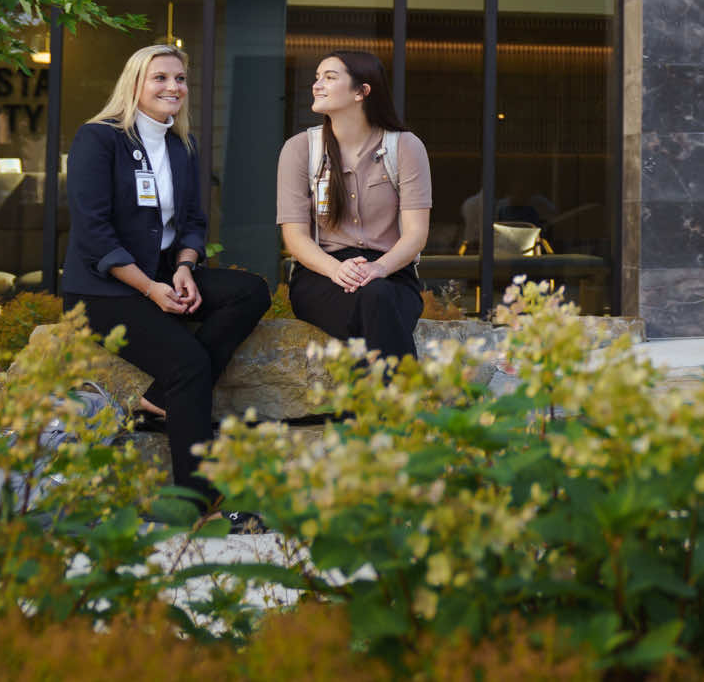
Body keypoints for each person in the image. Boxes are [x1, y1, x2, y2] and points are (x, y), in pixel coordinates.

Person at [61, 44, 270, 519]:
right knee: (189, 364)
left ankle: (156, 401)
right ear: (134, 84)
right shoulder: (99, 139)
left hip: (161, 276)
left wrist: (183, 267)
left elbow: (193, 220)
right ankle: (202, 504)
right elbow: (93, 232)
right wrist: (149, 288)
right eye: (160, 78)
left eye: (180, 79)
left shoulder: (182, 144)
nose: (173, 87)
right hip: (103, 291)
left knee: (250, 290)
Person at [277, 51, 432, 365]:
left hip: (391, 273)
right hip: (321, 275)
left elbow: (416, 235)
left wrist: (379, 269)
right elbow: (295, 239)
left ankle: (364, 410)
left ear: (362, 92)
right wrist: (338, 270)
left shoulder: (405, 146)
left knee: (378, 295)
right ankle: (402, 402)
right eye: (317, 77)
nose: (317, 85)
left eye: (330, 77)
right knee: (376, 303)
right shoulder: (300, 149)